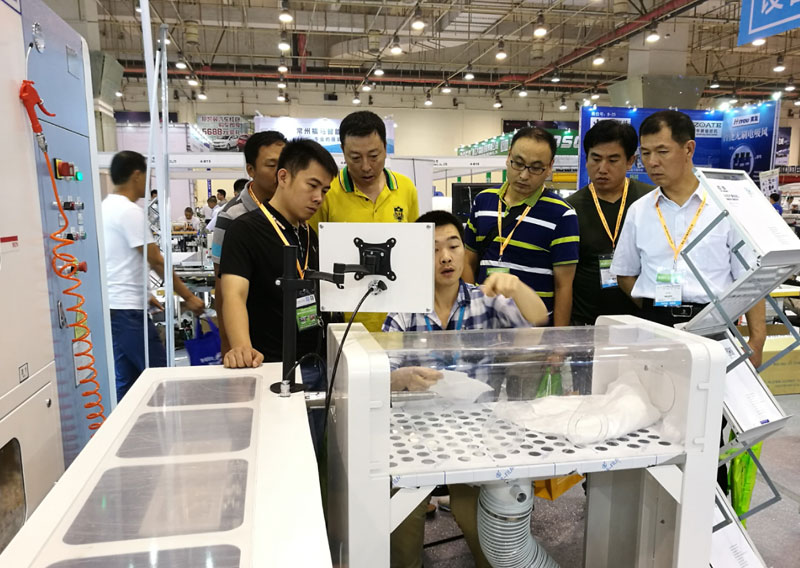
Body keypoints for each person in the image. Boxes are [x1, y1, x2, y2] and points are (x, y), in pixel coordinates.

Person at [383, 210, 548, 568]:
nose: (445, 257)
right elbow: (384, 376)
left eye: (453, 246)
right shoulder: (402, 311)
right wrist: (402, 377)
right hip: (417, 433)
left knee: (486, 532)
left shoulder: (484, 300)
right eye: (433, 249)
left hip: (476, 432)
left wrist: (516, 287)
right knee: (401, 524)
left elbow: (537, 322)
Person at [611, 110, 765, 360]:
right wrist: (655, 304)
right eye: (645, 153)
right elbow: (625, 274)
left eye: (662, 151)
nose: (652, 162)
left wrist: (757, 340)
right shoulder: (639, 210)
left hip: (713, 323)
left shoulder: (724, 206)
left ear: (688, 149)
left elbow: (749, 278)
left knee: (711, 385)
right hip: (655, 324)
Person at [219, 138, 338, 369]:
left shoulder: (309, 234)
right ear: (283, 177)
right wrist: (242, 347)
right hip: (269, 366)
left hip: (317, 362)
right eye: (312, 185)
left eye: (324, 190)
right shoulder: (244, 230)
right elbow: (234, 295)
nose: (318, 198)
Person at [102, 151, 205, 401]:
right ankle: (165, 423)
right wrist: (189, 297)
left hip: (115, 307)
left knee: (127, 381)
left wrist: (146, 294)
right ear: (137, 175)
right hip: (129, 313)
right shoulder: (129, 211)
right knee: (160, 377)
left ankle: (128, 424)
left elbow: (116, 259)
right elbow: (156, 260)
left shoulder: (105, 207)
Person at [309, 110, 419, 332]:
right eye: (355, 158)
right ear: (343, 151)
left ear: (385, 149)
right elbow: (312, 253)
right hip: (343, 319)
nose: (366, 166)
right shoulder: (327, 193)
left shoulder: (406, 188)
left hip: (397, 319)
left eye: (374, 156)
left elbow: (414, 250)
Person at [463, 126, 580, 327]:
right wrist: (469, 313)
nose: (524, 175)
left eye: (536, 168)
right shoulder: (483, 201)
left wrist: (558, 340)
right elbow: (468, 261)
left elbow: (564, 286)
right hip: (484, 326)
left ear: (550, 167)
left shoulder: (562, 214)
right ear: (508, 156)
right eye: (518, 163)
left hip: (533, 329)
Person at [566, 120, 654, 326]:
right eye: (595, 159)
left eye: (613, 160)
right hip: (586, 324)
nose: (602, 168)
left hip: (641, 323)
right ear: (586, 159)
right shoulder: (569, 209)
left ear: (630, 161)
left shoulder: (650, 202)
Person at [211, 131, 288, 353]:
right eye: (271, 165)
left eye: (285, 164)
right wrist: (228, 344)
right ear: (251, 170)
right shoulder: (230, 217)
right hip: (249, 333)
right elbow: (221, 285)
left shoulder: (293, 209)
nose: (280, 172)